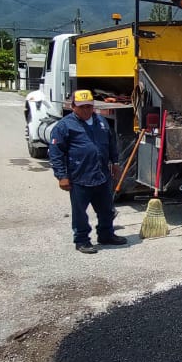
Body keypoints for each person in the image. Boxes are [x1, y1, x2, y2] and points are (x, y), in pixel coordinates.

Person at [49, 89, 126, 254]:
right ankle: (82, 240)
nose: (86, 110)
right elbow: (56, 153)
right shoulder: (64, 126)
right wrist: (61, 176)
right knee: (80, 213)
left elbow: (111, 144)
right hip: (79, 176)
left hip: (101, 175)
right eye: (82, 107)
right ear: (73, 106)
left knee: (106, 209)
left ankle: (106, 235)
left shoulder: (101, 122)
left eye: (89, 107)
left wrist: (116, 163)